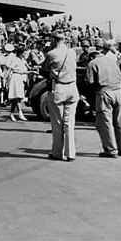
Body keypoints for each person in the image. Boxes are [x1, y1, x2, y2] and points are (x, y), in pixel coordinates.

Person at [41, 30, 79, 162]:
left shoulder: (52, 54)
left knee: (58, 123)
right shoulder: (72, 52)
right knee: (69, 122)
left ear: (53, 40)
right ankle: (71, 153)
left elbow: (44, 68)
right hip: (72, 87)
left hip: (59, 87)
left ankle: (58, 152)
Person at [86, 46, 121, 158]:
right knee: (120, 121)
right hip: (118, 91)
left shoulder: (92, 63)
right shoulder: (113, 60)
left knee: (105, 122)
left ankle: (110, 149)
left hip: (105, 92)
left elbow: (90, 82)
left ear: (91, 56)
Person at [5, 44, 28, 121]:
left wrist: (31, 71)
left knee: (17, 97)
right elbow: (10, 69)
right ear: (21, 53)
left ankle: (12, 113)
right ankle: (20, 113)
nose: (25, 54)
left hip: (20, 78)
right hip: (15, 77)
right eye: (24, 53)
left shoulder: (22, 60)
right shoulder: (15, 59)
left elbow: (24, 70)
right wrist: (5, 79)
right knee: (17, 97)